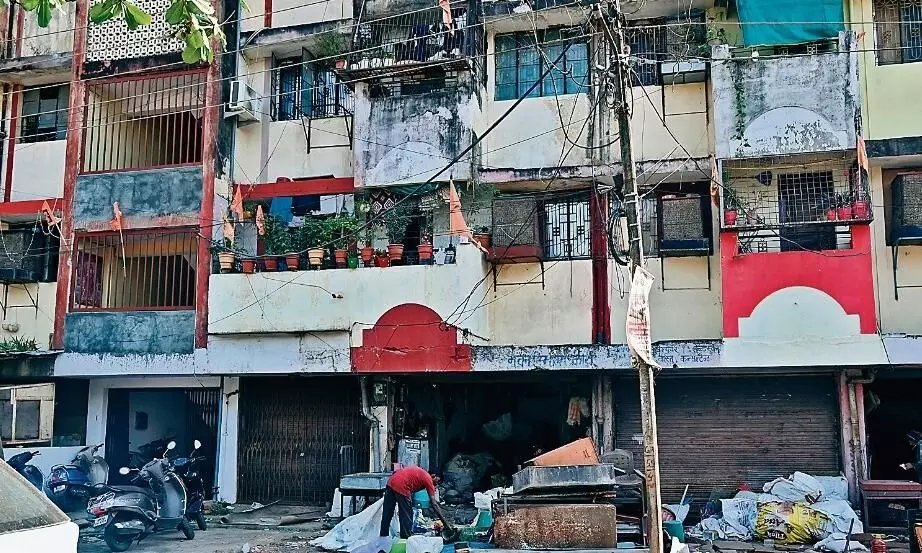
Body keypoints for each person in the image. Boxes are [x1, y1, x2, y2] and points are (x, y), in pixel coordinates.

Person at [379, 466, 455, 539]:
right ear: (433, 476)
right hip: (402, 485)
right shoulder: (428, 478)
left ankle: (383, 537)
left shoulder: (421, 474)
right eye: (437, 481)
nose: (436, 484)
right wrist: (446, 524)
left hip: (391, 482)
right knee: (407, 514)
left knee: (387, 513)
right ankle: (405, 538)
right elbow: (434, 503)